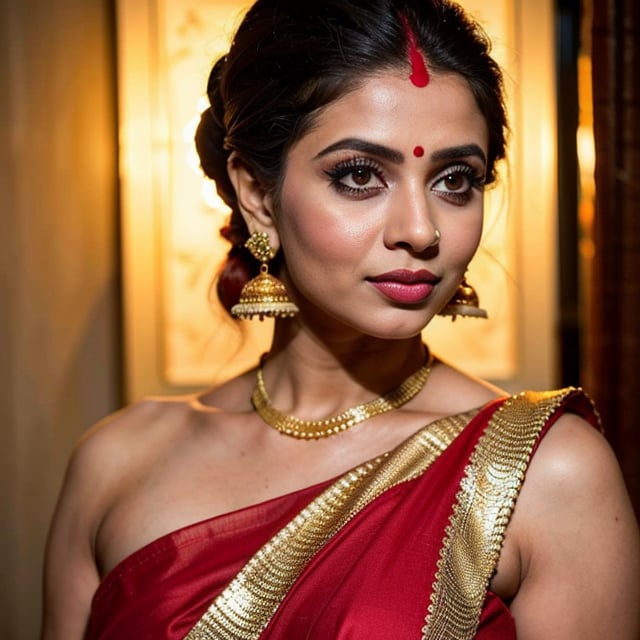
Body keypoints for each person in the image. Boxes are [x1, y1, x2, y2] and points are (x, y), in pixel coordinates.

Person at [42, 0, 640, 638]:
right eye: (360, 175)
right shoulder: (117, 463)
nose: (420, 230)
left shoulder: (546, 473)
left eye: (455, 180)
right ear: (256, 194)